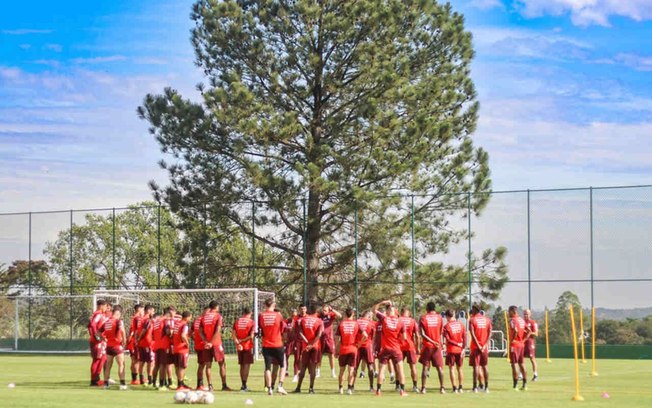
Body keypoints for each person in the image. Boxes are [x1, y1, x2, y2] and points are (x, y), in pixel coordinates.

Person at [372, 300, 408, 397]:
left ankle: (378, 391)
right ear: (395, 311)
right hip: (396, 348)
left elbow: (374, 309)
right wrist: (397, 339)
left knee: (381, 370)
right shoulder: (400, 321)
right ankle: (402, 391)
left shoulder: (384, 319)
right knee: (400, 370)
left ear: (387, 311)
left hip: (385, 349)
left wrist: (382, 302)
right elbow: (404, 337)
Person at [258, 298, 288, 395]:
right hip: (277, 344)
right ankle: (280, 386)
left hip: (266, 344)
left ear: (265, 305)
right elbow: (283, 329)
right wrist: (285, 340)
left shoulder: (261, 316)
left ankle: (269, 388)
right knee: (283, 365)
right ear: (273, 305)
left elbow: (260, 329)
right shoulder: (278, 316)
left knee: (267, 367)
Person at [200, 301, 231, 391]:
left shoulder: (204, 317)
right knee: (222, 364)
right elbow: (217, 330)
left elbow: (200, 331)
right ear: (216, 307)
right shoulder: (218, 316)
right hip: (216, 343)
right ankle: (224, 385)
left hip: (207, 344)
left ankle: (210, 386)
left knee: (208, 365)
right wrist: (212, 342)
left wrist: (206, 341)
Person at [293, 304, 323, 394]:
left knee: (303, 367)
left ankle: (298, 388)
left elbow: (300, 333)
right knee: (312, 367)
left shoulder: (303, 320)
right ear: (316, 311)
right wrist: (312, 344)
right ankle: (311, 389)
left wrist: (307, 342)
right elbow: (319, 335)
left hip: (305, 346)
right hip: (315, 346)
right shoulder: (319, 321)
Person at [336, 307, 365, 394]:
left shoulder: (341, 324)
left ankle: (340, 388)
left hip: (343, 349)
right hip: (353, 349)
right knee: (351, 370)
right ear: (353, 314)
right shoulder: (356, 324)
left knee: (342, 370)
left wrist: (337, 350)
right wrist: (359, 344)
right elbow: (365, 335)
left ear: (345, 314)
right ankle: (349, 389)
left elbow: (337, 339)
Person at [418, 301, 446, 394]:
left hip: (427, 346)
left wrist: (431, 341)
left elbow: (422, 334)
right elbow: (441, 332)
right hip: (437, 346)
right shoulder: (440, 318)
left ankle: (423, 388)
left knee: (425, 367)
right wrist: (440, 343)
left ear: (427, 308)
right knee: (439, 368)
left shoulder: (423, 318)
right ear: (435, 308)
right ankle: (442, 388)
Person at [101, 304, 128, 390]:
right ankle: (122, 385)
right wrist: (124, 340)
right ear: (118, 313)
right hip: (117, 346)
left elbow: (98, 332)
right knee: (121, 365)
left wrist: (104, 339)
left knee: (108, 366)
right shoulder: (118, 321)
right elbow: (123, 331)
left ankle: (105, 384)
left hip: (109, 346)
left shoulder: (107, 321)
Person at [468, 304, 492, 393]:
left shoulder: (472, 320)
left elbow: (472, 334)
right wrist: (485, 345)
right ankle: (486, 387)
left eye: (472, 309)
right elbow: (490, 333)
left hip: (475, 347)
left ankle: (474, 388)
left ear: (474, 310)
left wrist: (478, 345)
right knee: (485, 366)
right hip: (484, 347)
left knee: (476, 367)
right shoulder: (487, 320)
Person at [232, 306, 255, 392]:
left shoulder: (237, 321)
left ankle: (243, 384)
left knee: (241, 365)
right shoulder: (252, 322)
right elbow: (251, 336)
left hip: (239, 346)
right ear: (250, 313)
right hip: (247, 346)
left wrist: (238, 342)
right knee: (246, 365)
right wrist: (243, 340)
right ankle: (244, 385)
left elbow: (233, 333)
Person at [443, 310, 466, 393]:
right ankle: (461, 387)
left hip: (451, 350)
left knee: (452, 368)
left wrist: (457, 344)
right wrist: (463, 348)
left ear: (447, 316)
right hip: (460, 350)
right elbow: (465, 337)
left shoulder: (446, 326)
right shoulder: (461, 325)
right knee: (460, 368)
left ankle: (454, 388)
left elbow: (448, 339)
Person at [317, 305, 342, 378]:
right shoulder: (319, 316)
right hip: (320, 338)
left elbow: (339, 316)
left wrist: (332, 309)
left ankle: (333, 372)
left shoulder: (330, 315)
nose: (324, 311)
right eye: (323, 310)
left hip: (329, 338)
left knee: (331, 355)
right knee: (319, 355)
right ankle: (318, 372)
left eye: (325, 310)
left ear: (328, 311)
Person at [88, 299, 108, 386]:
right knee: (97, 359)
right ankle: (94, 380)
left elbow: (89, 326)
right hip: (97, 341)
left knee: (102, 358)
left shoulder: (97, 314)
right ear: (102, 306)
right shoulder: (98, 314)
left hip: (100, 339)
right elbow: (92, 325)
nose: (106, 308)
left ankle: (96, 378)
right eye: (106, 306)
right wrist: (96, 336)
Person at [399, 308, 420, 392]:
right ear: (409, 313)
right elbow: (417, 336)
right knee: (413, 367)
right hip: (410, 346)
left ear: (401, 313)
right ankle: (415, 386)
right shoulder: (413, 321)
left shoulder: (398, 320)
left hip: (400, 346)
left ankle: (398, 386)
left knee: (399, 367)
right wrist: (417, 347)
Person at [355, 310, 376, 392]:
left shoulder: (357, 322)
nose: (371, 317)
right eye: (370, 316)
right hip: (368, 346)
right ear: (368, 316)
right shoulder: (371, 324)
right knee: (370, 366)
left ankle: (351, 386)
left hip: (357, 346)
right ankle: (371, 387)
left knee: (355, 367)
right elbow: (373, 337)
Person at [508, 305, 528, 391]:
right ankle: (525, 384)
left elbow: (515, 330)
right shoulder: (522, 320)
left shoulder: (513, 320)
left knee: (514, 364)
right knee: (522, 364)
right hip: (521, 345)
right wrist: (524, 340)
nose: (508, 313)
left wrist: (512, 340)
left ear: (513, 311)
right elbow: (529, 331)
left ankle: (515, 385)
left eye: (509, 311)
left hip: (515, 345)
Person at [172, 311, 192, 390]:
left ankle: (181, 383)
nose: (190, 319)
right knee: (182, 367)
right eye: (190, 317)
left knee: (177, 366)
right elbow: (183, 335)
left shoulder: (177, 324)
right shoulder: (184, 325)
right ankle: (180, 385)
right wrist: (187, 343)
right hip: (182, 349)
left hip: (176, 348)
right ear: (187, 317)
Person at [136, 304, 156, 386]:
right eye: (153, 311)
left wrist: (138, 339)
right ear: (149, 310)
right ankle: (149, 380)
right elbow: (144, 330)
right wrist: (139, 338)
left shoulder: (140, 319)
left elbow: (137, 331)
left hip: (141, 344)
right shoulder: (148, 320)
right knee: (150, 362)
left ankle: (141, 379)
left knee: (142, 361)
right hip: (147, 343)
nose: (153, 312)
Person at [193, 306, 210, 390]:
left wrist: (195, 339)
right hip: (203, 346)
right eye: (208, 312)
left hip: (198, 345)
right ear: (204, 311)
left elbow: (190, 332)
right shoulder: (204, 320)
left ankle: (199, 384)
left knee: (201, 365)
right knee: (204, 365)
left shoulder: (196, 320)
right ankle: (200, 385)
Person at [127, 304, 144, 385]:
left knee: (134, 360)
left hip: (132, 341)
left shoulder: (134, 317)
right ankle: (135, 379)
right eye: (143, 309)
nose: (143, 311)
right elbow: (135, 331)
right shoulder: (138, 318)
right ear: (139, 309)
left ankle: (134, 379)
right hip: (135, 342)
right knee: (136, 361)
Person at [290, 304, 307, 383]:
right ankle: (295, 375)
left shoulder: (308, 318)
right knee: (296, 358)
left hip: (306, 341)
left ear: (306, 309)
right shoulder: (296, 318)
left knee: (306, 358)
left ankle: (304, 374)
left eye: (304, 309)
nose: (302, 310)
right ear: (299, 310)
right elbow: (292, 328)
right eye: (301, 309)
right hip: (298, 341)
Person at [524, 309, 539, 381]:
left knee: (532, 358)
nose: (525, 315)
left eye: (527, 314)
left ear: (530, 314)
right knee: (521, 359)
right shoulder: (522, 322)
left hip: (530, 343)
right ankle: (521, 374)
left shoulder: (533, 323)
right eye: (524, 314)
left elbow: (536, 334)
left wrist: (529, 332)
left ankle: (535, 375)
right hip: (523, 342)